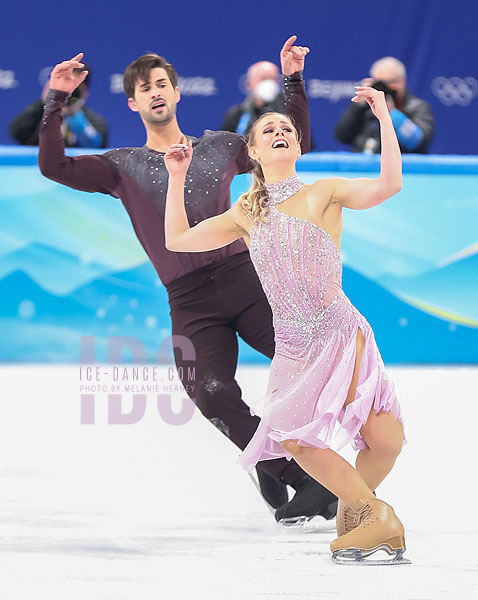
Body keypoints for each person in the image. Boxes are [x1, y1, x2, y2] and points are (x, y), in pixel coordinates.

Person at [38, 38, 338, 525]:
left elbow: (293, 139)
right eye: (144, 89)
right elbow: (53, 165)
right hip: (190, 300)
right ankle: (292, 474)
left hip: (246, 280)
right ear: (133, 103)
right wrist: (57, 99)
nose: (155, 92)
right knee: (209, 391)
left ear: (176, 93)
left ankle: (315, 466)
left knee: (307, 359)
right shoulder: (121, 166)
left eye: (162, 84)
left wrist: (293, 80)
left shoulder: (219, 147)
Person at [163, 86, 409, 564]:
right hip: (295, 345)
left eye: (287, 129)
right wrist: (177, 176)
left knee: (385, 440)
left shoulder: (325, 192)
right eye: (268, 130)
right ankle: (370, 515)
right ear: (253, 152)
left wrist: (383, 119)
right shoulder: (246, 212)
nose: (280, 132)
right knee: (294, 434)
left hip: (339, 331)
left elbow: (389, 185)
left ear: (297, 146)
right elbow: (177, 239)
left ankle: (362, 517)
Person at [334, 57, 434, 154]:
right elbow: (342, 136)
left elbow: (417, 142)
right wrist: (358, 106)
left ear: (403, 81)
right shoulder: (366, 106)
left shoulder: (417, 107)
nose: (386, 87)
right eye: (381, 83)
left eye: (392, 81)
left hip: (400, 168)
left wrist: (391, 113)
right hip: (365, 168)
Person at [9, 68, 108, 147]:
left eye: (74, 87)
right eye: (65, 85)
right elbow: (16, 132)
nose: (68, 92)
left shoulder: (94, 120)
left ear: (84, 92)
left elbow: (95, 146)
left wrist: (74, 115)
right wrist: (45, 104)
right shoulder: (39, 113)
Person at [220, 61, 284, 135]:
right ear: (249, 83)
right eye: (264, 78)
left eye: (274, 79)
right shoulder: (237, 114)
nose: (269, 83)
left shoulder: (289, 109)